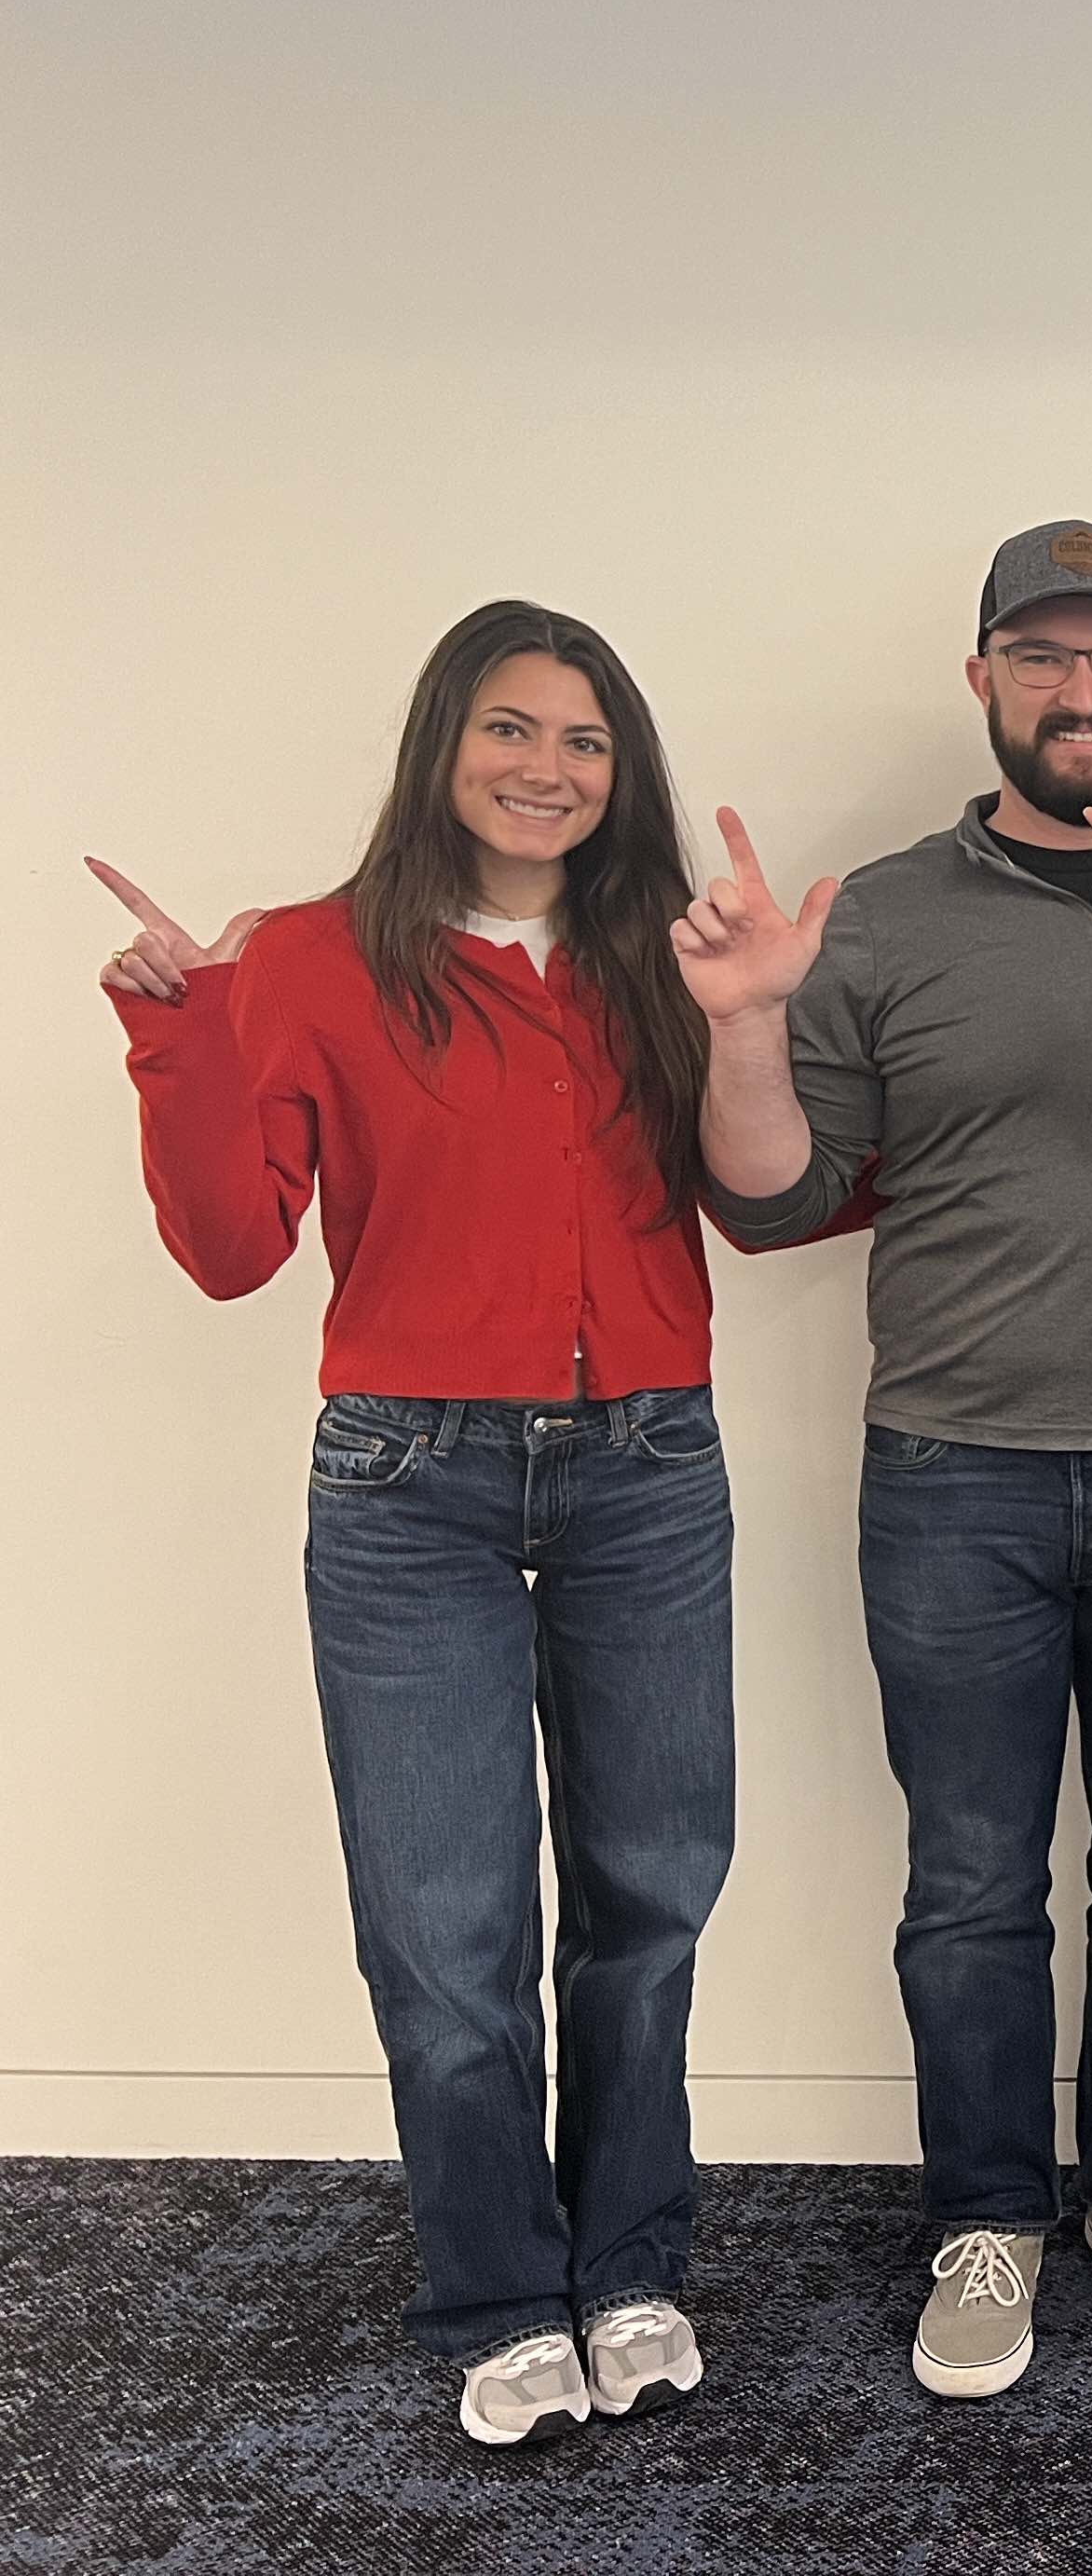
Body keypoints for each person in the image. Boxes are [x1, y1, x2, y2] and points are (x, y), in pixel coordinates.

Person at [93, 601, 733, 2448]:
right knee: (446, 1925)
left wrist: (767, 1014)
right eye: (512, 731)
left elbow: (776, 1199)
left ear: (626, 777)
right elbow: (228, 1252)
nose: (548, 769)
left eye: (586, 742)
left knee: (651, 1895)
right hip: (407, 1488)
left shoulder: (657, 961)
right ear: (441, 746)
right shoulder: (306, 959)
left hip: (646, 1470)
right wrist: (182, 1036)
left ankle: (629, 2265)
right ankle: (495, 2292)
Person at [681, 522, 1092, 2401]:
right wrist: (753, 1022)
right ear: (987, 682)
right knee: (970, 1877)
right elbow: (766, 1205)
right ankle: (985, 2213)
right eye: (1045, 657)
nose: (1083, 694)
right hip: (957, 1476)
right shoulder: (883, 917)